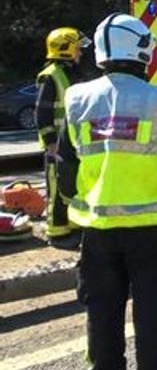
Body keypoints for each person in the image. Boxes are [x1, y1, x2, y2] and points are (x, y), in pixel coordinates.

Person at [58, 13, 157, 370]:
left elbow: (66, 165)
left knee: (101, 305)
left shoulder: (76, 99)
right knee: (153, 306)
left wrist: (73, 208)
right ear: (142, 51)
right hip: (152, 229)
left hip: (98, 228)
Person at [36, 27, 91, 246]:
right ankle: (57, 232)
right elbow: (42, 113)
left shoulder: (71, 74)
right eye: (77, 48)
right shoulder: (50, 76)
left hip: (72, 143)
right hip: (57, 145)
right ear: (65, 49)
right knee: (57, 188)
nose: (80, 53)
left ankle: (72, 226)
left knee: (72, 185)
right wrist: (50, 142)